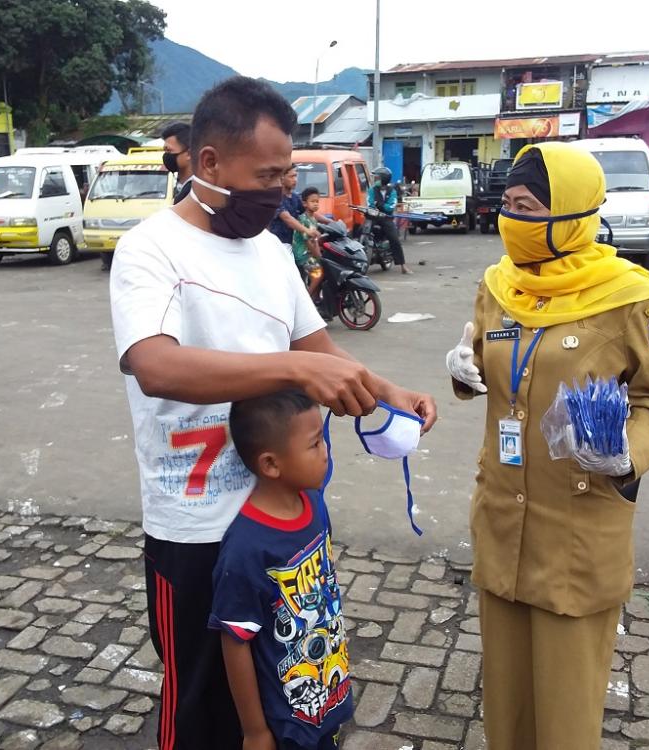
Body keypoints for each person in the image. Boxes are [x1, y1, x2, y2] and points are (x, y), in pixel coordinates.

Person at [109, 76, 436, 750]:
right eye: (267, 174)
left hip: (277, 517)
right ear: (208, 165)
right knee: (199, 700)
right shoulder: (149, 250)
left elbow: (313, 343)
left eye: (288, 172)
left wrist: (384, 389)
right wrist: (292, 370)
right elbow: (154, 363)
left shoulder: (266, 247)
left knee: (278, 683)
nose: (281, 188)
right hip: (195, 524)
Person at [446, 142, 649, 750]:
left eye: (526, 207)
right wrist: (462, 371)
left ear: (571, 213)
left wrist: (629, 455)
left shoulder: (630, 297)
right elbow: (487, 368)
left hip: (576, 524)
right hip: (503, 516)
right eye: (507, 204)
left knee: (567, 715)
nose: (509, 219)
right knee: (508, 705)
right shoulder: (498, 285)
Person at [211, 389, 351, 750]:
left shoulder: (314, 505)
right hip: (286, 720)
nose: (327, 453)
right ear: (271, 464)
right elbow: (235, 640)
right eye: (315, 443)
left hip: (328, 694)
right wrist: (255, 731)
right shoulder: (246, 547)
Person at [368, 167, 410, 274]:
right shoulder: (372, 190)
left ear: (384, 179)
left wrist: (379, 205)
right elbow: (370, 203)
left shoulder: (393, 192)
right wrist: (379, 206)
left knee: (394, 239)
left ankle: (403, 266)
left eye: (377, 177)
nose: (375, 179)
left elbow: (390, 207)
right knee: (359, 231)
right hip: (373, 217)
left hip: (386, 218)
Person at [269, 166, 320, 250]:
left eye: (296, 176)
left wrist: (328, 221)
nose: (295, 179)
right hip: (280, 245)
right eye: (292, 176)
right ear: (282, 178)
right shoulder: (276, 198)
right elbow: (287, 219)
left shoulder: (295, 197)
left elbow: (308, 210)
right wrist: (307, 230)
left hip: (293, 245)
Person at [292, 187, 325, 301]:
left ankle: (316, 299)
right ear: (305, 204)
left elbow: (314, 240)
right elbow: (308, 242)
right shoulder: (304, 219)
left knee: (321, 270)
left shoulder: (313, 219)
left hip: (309, 253)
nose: (316, 204)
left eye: (317, 202)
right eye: (313, 201)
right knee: (318, 275)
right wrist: (318, 255)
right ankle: (306, 300)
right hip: (303, 254)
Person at [161, 121, 193, 205]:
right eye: (165, 151)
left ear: (189, 154)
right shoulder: (182, 188)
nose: (166, 156)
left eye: (169, 150)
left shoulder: (194, 193)